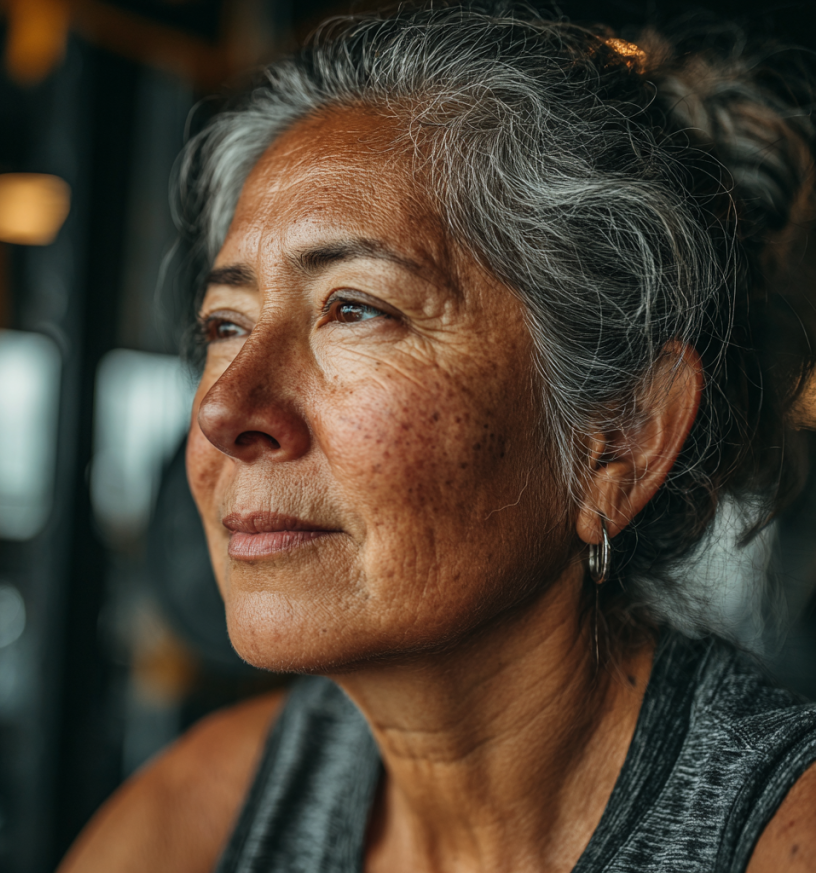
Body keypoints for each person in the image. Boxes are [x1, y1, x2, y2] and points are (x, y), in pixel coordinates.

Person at [59, 5, 816, 871]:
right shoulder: (196, 822)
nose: (223, 411)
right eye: (225, 323)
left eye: (354, 309)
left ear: (618, 436)